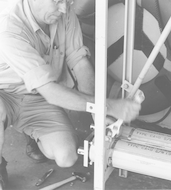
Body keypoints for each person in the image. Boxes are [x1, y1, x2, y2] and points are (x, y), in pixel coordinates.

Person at [0, 0, 141, 189]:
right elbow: (50, 92)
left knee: (67, 157)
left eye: (69, 1)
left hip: (37, 97)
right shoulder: (8, 26)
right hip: (5, 94)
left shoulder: (64, 14)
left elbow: (79, 63)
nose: (65, 8)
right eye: (58, 1)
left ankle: (31, 133)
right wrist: (109, 105)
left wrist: (97, 114)